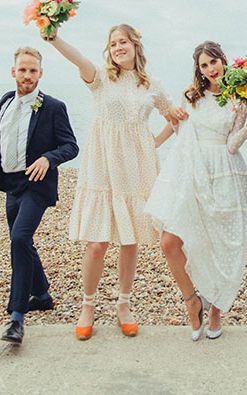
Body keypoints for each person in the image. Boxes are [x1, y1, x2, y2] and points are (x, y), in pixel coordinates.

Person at [46, 25, 185, 340]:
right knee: (97, 244)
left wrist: (152, 144)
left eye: (123, 41)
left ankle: (124, 303)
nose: (118, 47)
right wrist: (54, 38)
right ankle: (88, 305)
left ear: (135, 45)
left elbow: (173, 118)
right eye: (112, 43)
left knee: (129, 239)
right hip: (102, 166)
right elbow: (77, 58)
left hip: (136, 169)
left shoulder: (153, 85)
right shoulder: (99, 78)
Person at [146, 41, 247, 341]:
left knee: (219, 244)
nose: (211, 69)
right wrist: (153, 143)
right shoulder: (190, 95)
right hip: (190, 172)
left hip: (225, 172)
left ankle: (217, 308)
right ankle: (192, 300)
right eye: (204, 65)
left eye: (214, 62)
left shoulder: (239, 98)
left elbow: (233, 144)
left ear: (224, 61)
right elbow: (177, 126)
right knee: (169, 242)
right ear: (199, 69)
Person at [0, 47, 78, 344]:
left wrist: (48, 158)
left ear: (41, 74)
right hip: (11, 185)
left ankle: (16, 317)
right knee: (23, 241)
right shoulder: (5, 101)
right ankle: (42, 295)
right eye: (22, 70)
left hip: (37, 184)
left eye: (33, 70)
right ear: (13, 72)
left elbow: (71, 146)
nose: (27, 75)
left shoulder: (53, 107)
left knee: (19, 238)